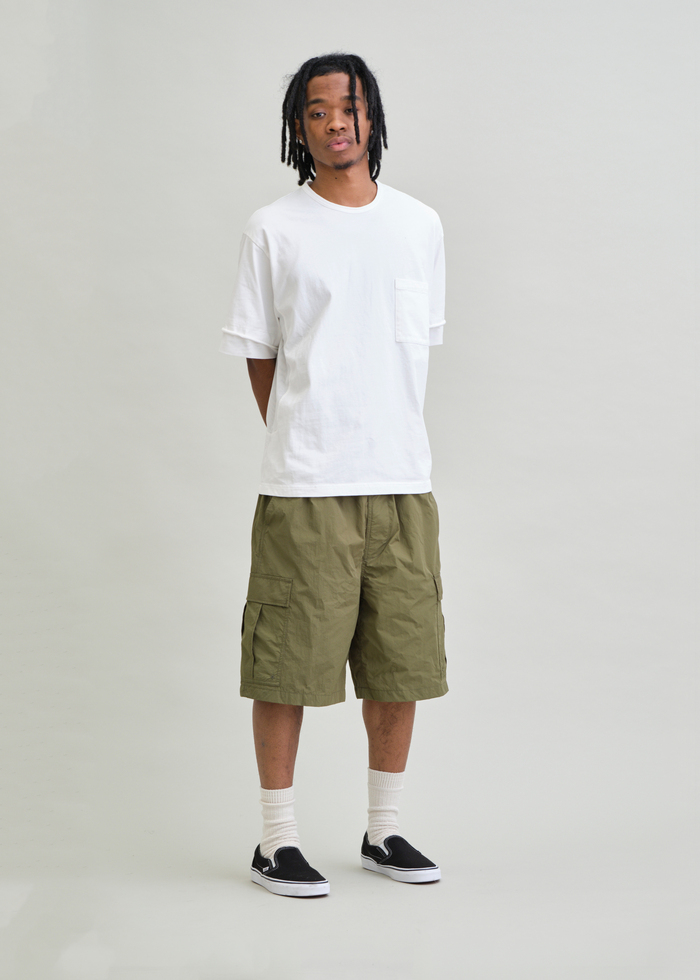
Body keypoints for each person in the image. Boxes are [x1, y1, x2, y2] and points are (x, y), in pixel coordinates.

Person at [221, 52, 447, 897]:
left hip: (403, 482)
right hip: (306, 487)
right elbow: (260, 353)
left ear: (371, 116)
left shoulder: (419, 225)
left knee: (401, 663)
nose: (335, 122)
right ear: (299, 127)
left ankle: (383, 832)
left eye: (349, 106)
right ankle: (275, 841)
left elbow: (414, 348)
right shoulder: (273, 229)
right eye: (317, 110)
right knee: (286, 667)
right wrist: (304, 434)